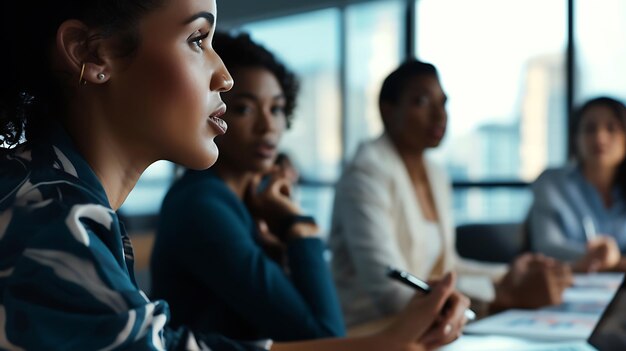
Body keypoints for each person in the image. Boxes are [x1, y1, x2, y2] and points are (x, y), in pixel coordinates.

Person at [0, 2, 468, 350]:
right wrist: (386, 341)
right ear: (91, 53)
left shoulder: (60, 197)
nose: (223, 75)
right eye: (197, 39)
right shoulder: (49, 217)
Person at [329, 59, 572, 328]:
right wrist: (504, 298)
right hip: (374, 330)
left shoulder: (435, 173)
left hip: (429, 325)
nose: (439, 115)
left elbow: (446, 268)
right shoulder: (366, 174)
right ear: (387, 111)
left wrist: (511, 275)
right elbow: (392, 293)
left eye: (443, 103)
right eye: (421, 102)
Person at [151, 31, 346, 342]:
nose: (268, 126)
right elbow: (323, 338)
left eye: (277, 109)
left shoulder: (242, 203)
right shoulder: (202, 205)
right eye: (245, 109)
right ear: (213, 110)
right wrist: (297, 224)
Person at [527, 97, 626, 272]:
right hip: (568, 287)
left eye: (612, 128)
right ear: (575, 138)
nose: (600, 138)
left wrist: (615, 260)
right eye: (590, 129)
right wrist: (602, 257)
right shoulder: (552, 183)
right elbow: (546, 246)